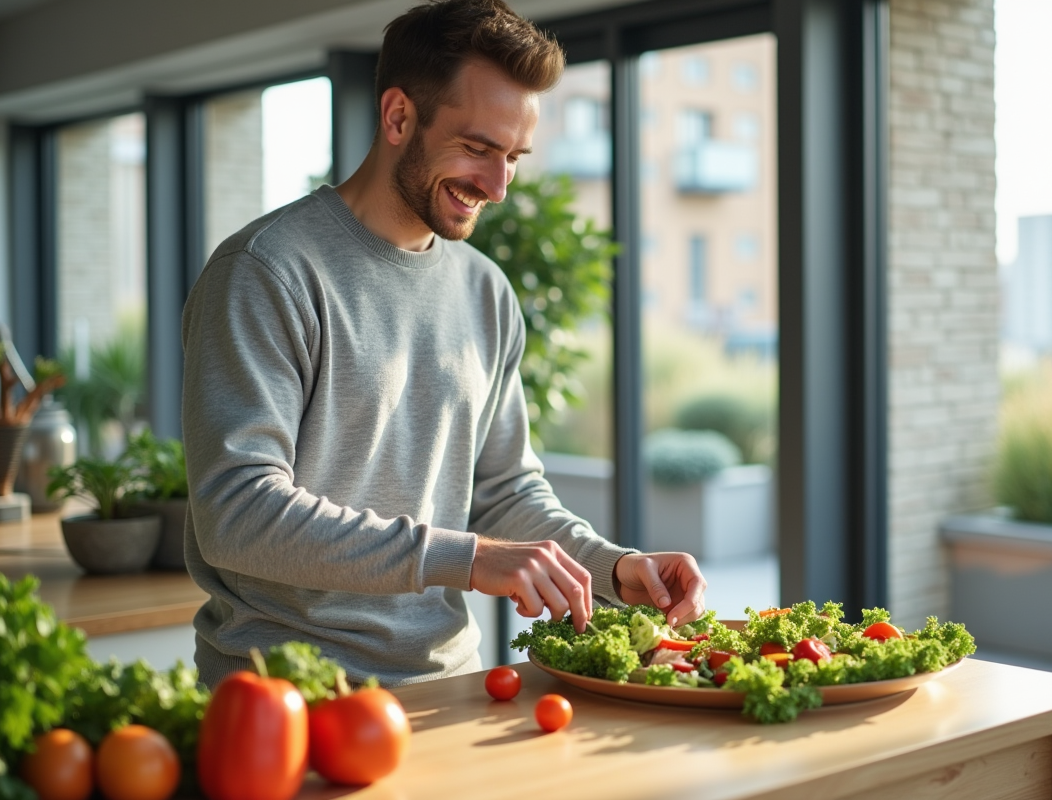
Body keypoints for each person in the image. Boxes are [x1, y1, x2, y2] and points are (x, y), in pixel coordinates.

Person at [181, 0, 707, 689]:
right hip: (284, 697)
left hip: (449, 691)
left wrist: (612, 566)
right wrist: (465, 557)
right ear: (399, 117)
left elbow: (504, 491)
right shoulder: (267, 271)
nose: (497, 187)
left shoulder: (485, 292)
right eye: (478, 149)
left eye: (513, 157)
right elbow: (237, 513)